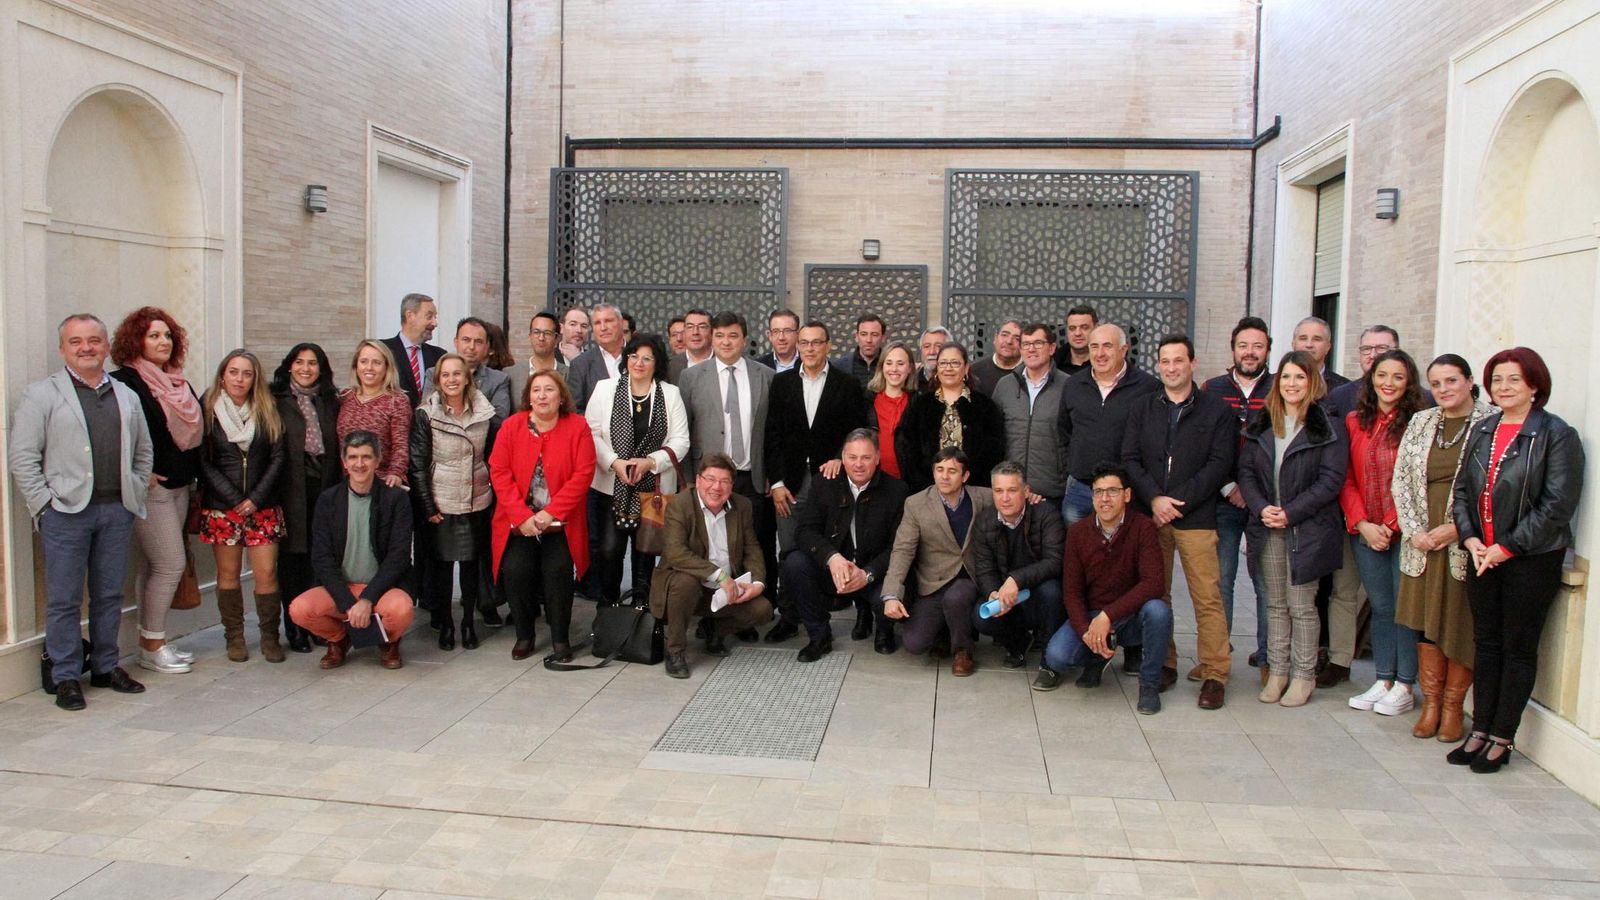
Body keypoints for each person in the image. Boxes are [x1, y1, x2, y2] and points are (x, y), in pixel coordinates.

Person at [1448, 347, 1584, 773]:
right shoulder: (1484, 429)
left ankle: (1502, 737)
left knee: (1517, 647)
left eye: (1514, 380)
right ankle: (1480, 728)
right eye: (1497, 379)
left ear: (1534, 386)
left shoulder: (1556, 435)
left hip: (1530, 559)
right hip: (1481, 555)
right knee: (1487, 644)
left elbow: (1557, 505)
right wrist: (1470, 538)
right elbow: (1463, 491)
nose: (1503, 387)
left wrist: (1506, 547)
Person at [10, 314, 153, 710]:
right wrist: (44, 505)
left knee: (109, 594)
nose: (86, 347)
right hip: (65, 513)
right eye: (76, 341)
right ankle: (66, 675)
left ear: (106, 346)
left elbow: (143, 451)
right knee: (65, 600)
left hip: (116, 511)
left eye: (94, 340)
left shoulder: (126, 394)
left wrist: (135, 490)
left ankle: (106, 667)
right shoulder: (42, 394)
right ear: (63, 349)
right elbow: (23, 457)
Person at [1122, 334, 1237, 708]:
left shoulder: (1216, 411)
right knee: (1157, 594)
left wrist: (1178, 503)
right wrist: (1155, 499)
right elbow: (1130, 458)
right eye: (1165, 361)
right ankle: (1165, 663)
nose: (1171, 368)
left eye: (1178, 360)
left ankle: (1215, 672)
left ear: (1193, 363)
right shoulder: (1143, 407)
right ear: (1158, 365)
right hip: (1152, 515)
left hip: (1197, 517)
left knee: (1207, 597)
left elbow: (1219, 464)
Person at [1393, 354, 1494, 741]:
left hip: (1466, 541)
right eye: (1436, 384)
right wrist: (1414, 531)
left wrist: (1458, 529)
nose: (1443, 389)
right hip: (1423, 543)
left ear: (1469, 381)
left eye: (1451, 381)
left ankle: (1453, 708)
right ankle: (1431, 704)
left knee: (1460, 621)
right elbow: (1401, 480)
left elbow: (1493, 486)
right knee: (1427, 621)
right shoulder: (1421, 421)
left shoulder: (1490, 421)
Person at [1238, 350, 1348, 708]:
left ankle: (1304, 675)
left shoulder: (1327, 426)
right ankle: (1278, 671)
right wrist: (1261, 508)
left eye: (1300, 376)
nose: (1292, 383)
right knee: (1274, 604)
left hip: (1307, 530)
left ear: (1312, 382)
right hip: (1267, 525)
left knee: (1301, 605)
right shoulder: (1263, 422)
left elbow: (1330, 481)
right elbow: (1247, 472)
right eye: (1286, 376)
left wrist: (1290, 512)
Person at [109, 307, 202, 675]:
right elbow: (114, 432)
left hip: (181, 486)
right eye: (153, 336)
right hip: (153, 491)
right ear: (136, 341)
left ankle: (151, 641)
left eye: (167, 336)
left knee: (154, 566)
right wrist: (139, 472)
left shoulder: (177, 382)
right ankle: (153, 646)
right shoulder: (125, 382)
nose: (163, 342)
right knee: (170, 565)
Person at [1039, 462, 1170, 714]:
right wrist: (1086, 631)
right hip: (1092, 615)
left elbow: (1154, 583)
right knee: (1056, 657)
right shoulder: (1078, 532)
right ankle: (1098, 656)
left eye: (1112, 491)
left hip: (1130, 616)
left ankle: (1149, 684)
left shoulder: (1143, 527)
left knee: (1158, 611)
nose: (1104, 499)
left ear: (1127, 495)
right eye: (1098, 492)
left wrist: (1108, 616)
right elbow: (1072, 592)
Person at [679, 312, 780, 637]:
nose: (726, 342)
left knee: (753, 545)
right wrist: (690, 478)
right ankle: (709, 612)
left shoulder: (766, 376)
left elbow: (774, 431)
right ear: (712, 338)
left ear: (745, 339)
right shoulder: (692, 377)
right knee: (711, 545)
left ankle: (745, 614)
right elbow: (685, 430)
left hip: (751, 475)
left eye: (733, 335)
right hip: (708, 480)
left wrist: (773, 473)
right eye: (720, 335)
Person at [766, 320, 870, 635]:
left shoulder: (846, 384)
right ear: (798, 345)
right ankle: (788, 618)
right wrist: (776, 483)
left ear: (828, 345)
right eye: (805, 342)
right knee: (788, 551)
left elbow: (856, 431)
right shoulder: (781, 383)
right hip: (791, 484)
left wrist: (840, 457)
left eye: (816, 342)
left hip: (830, 481)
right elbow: (772, 436)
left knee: (825, 548)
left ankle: (819, 612)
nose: (810, 348)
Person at [1341, 349, 1427, 717]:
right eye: (1382, 375)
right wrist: (1363, 523)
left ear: (1409, 383)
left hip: (1404, 532)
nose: (1388, 383)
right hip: (1365, 531)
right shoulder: (1354, 421)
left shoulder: (1419, 424)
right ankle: (1384, 679)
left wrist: (1391, 525)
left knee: (1403, 608)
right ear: (1371, 378)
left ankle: (1405, 683)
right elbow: (1346, 477)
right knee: (1380, 607)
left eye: (1397, 377)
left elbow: (1416, 480)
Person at [490, 370, 596, 662]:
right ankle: (524, 635)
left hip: (561, 522)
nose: (542, 396)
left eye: (549, 389)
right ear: (528, 397)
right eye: (536, 390)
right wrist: (521, 515)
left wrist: (551, 512)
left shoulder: (578, 426)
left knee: (558, 571)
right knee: (515, 570)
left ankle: (560, 638)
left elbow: (584, 473)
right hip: (519, 522)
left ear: (561, 397)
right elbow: (499, 472)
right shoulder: (511, 426)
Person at [288, 431, 415, 670]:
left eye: (366, 457)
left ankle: (388, 641)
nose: (359, 464)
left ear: (378, 460)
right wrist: (348, 603)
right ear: (344, 462)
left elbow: (398, 557)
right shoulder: (328, 500)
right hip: (341, 587)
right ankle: (339, 639)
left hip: (382, 589)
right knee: (299, 609)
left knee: (402, 610)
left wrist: (367, 599)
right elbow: (322, 558)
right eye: (353, 457)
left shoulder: (395, 499)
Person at [785, 428, 908, 659]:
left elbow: (898, 547)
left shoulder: (897, 491)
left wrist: (868, 574)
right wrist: (831, 557)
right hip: (836, 569)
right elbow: (805, 531)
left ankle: (884, 629)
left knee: (889, 593)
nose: (858, 464)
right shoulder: (824, 483)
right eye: (852, 457)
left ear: (877, 458)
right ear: (842, 457)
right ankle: (819, 636)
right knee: (795, 563)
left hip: (874, 572)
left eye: (866, 457)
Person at [585, 332, 689, 605]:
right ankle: (609, 606)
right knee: (609, 550)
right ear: (626, 358)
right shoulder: (605, 389)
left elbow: (681, 441)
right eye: (634, 356)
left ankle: (641, 609)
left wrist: (651, 462)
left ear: (657, 363)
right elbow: (590, 434)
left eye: (647, 358)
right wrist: (614, 462)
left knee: (646, 552)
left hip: (653, 488)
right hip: (611, 483)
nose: (639, 363)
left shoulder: (670, 394)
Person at [198, 349, 288, 663]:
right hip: (223, 508)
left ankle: (269, 638)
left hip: (263, 506)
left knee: (267, 573)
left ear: (255, 378)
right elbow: (203, 461)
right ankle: (234, 637)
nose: (240, 379)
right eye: (233, 372)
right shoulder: (208, 408)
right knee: (228, 573)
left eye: (247, 373)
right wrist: (235, 499)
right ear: (223, 375)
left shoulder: (267, 409)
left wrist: (256, 499)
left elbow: (278, 457)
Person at [650, 453, 774, 678]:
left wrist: (757, 583)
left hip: (723, 591)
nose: (717, 487)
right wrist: (719, 576)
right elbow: (676, 553)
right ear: (698, 480)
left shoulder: (742, 506)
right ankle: (675, 650)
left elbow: (752, 548)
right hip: (686, 587)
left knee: (763, 610)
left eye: (724, 481)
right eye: (710, 479)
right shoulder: (680, 505)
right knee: (685, 582)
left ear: (732, 485)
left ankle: (713, 630)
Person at [410, 352, 500, 651]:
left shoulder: (485, 412)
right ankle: (446, 622)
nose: (452, 379)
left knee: (471, 565)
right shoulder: (425, 414)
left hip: (477, 499)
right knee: (443, 567)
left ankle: (468, 623)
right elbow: (418, 464)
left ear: (467, 378)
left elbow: (492, 456)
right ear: (438, 380)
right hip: (442, 500)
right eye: (445, 374)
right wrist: (427, 506)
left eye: (457, 374)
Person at [880, 447, 995, 676]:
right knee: (914, 643)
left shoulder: (983, 497)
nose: (944, 476)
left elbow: (1010, 495)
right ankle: (943, 632)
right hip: (934, 581)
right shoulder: (916, 504)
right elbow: (902, 550)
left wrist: (1029, 495)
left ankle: (963, 651)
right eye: (939, 470)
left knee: (957, 597)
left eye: (952, 471)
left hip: (969, 577)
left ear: (965, 476)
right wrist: (891, 594)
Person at [1202, 316, 1273, 669]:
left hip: (1267, 502)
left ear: (1268, 350)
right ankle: (1220, 655)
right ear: (1232, 349)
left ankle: (1268, 656)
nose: (1250, 352)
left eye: (1258, 346)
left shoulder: (1281, 387)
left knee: (1266, 583)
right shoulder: (1212, 389)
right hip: (1223, 499)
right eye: (1243, 345)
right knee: (1222, 581)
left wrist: (1254, 492)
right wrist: (1230, 486)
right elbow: (1202, 444)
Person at [270, 342, 341, 654]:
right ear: (290, 365)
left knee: (320, 558)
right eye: (300, 362)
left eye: (312, 363)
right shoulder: (276, 399)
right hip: (290, 492)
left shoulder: (330, 400)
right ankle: (294, 626)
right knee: (292, 561)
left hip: (324, 488)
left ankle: (316, 623)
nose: (306, 369)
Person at [1056, 323, 1160, 523]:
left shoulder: (1148, 387)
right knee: (1078, 541)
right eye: (1094, 346)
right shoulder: (1074, 384)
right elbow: (1064, 430)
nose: (1100, 354)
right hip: (1080, 489)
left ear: (1124, 349)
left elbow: (1154, 440)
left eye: (1107, 346)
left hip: (1127, 492)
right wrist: (1073, 463)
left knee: (1123, 543)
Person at [971, 462, 1064, 670]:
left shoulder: (1046, 514)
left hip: (1038, 593)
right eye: (998, 491)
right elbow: (984, 569)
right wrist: (992, 592)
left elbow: (1055, 561)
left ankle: (1049, 663)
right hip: (1007, 596)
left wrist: (1017, 579)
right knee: (981, 616)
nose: (1005, 498)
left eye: (1012, 490)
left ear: (1026, 491)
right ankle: (1018, 644)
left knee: (1052, 592)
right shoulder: (984, 521)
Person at [894, 342, 1007, 493]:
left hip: (973, 492)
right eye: (943, 363)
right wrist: (922, 484)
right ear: (937, 369)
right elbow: (905, 447)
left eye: (955, 363)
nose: (948, 368)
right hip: (927, 491)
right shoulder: (920, 404)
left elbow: (994, 451)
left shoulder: (985, 406)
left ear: (966, 368)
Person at [991, 323, 1069, 509]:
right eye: (1026, 344)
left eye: (1038, 343)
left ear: (1052, 348)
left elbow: (1076, 437)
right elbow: (993, 436)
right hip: (1010, 491)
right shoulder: (1005, 385)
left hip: (1052, 492)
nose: (1031, 349)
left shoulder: (1069, 386)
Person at [336, 340, 411, 488]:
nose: (369, 367)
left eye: (377, 363)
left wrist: (396, 473)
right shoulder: (344, 397)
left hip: (381, 484)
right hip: (346, 484)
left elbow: (400, 445)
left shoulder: (397, 401)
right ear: (356, 365)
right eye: (364, 361)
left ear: (387, 367)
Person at [381, 292, 444, 408]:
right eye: (429, 316)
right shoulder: (382, 350)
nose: (435, 323)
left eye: (435, 317)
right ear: (410, 316)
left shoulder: (439, 355)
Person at [866, 343, 916, 481]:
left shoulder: (918, 403)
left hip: (908, 482)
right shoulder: (866, 400)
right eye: (889, 363)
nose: (894, 369)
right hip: (872, 480)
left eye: (900, 364)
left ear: (910, 368)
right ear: (882, 366)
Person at [565, 303, 625, 414]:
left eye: (608, 321)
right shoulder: (580, 364)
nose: (603, 328)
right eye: (597, 323)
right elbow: (575, 410)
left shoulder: (638, 356)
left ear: (621, 323)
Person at [505, 310, 569, 413]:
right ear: (530, 336)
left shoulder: (569, 374)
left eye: (547, 333)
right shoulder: (511, 374)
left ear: (557, 338)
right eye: (536, 332)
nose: (541, 338)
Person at [453, 317, 513, 418]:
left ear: (487, 346)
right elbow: (427, 413)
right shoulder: (434, 374)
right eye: (466, 340)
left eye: (478, 342)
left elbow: (499, 417)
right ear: (456, 342)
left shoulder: (499, 379)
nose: (471, 346)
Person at [967, 319, 1022, 397]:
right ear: (995, 338)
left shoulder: (1029, 372)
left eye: (1017, 338)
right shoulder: (974, 371)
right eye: (1004, 335)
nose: (1009, 341)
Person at [1291, 315, 1347, 388]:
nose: (1309, 345)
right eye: (1303, 338)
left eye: (1317, 339)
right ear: (1293, 344)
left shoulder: (1344, 389)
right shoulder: (1276, 384)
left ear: (1328, 347)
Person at [834, 314, 887, 392]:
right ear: (857, 337)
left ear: (883, 338)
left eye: (874, 335)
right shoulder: (838, 367)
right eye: (864, 334)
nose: (869, 340)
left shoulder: (892, 367)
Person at [667, 309, 714, 383]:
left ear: (712, 332)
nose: (695, 332)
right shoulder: (670, 367)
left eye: (702, 326)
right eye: (690, 327)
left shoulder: (724, 362)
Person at [1053, 304, 1097, 376]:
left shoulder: (1107, 363)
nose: (1077, 333)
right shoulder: (1053, 364)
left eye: (1084, 327)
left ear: (1096, 328)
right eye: (1072, 328)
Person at [755, 308, 801, 373]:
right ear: (770, 335)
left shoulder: (808, 363)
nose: (781, 338)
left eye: (787, 331)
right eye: (776, 331)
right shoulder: (757, 367)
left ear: (798, 334)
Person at [914, 327, 951, 391]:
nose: (932, 352)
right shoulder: (911, 384)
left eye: (938, 346)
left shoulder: (960, 384)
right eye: (927, 346)